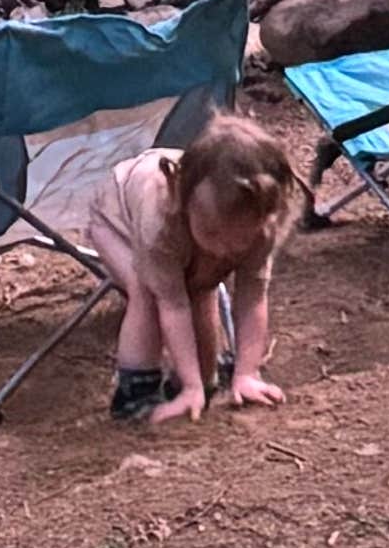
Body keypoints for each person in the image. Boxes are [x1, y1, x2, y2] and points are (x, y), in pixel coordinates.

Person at [89, 115, 298, 422]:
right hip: (115, 219)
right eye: (213, 233)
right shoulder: (161, 217)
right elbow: (173, 305)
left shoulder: (260, 226)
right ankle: (136, 391)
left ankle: (202, 379)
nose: (223, 249)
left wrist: (247, 373)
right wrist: (190, 386)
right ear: (185, 205)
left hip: (180, 219)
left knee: (203, 286)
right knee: (146, 289)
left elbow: (252, 297)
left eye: (239, 240)